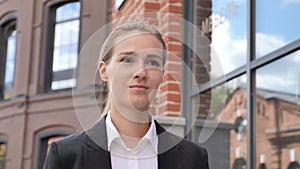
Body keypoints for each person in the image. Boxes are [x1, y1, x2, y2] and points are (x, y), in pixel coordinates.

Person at [43, 20, 209, 169]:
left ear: (162, 75)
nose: (141, 72)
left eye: (152, 62)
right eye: (127, 60)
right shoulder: (65, 157)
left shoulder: (193, 158)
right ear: (104, 71)